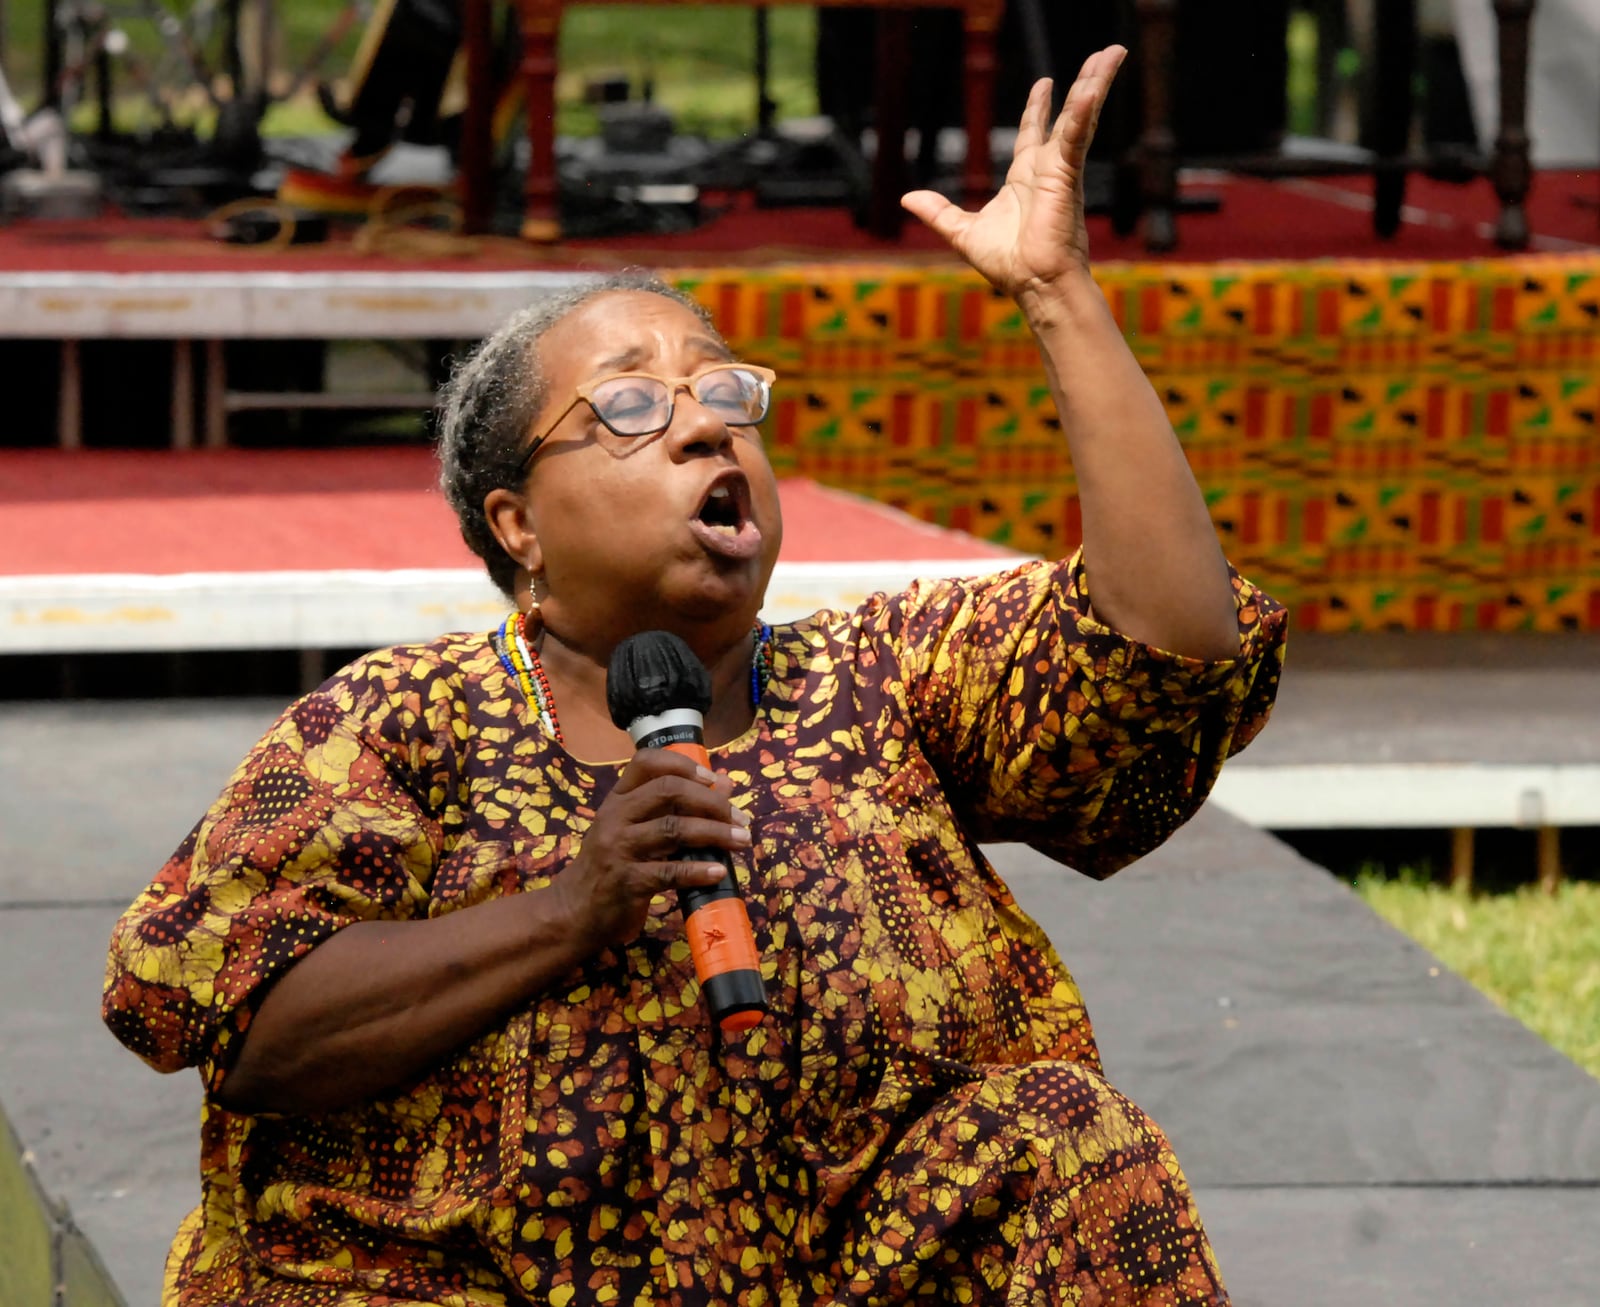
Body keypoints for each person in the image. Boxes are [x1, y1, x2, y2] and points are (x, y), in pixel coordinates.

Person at [103, 47, 1285, 1306]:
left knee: (1065, 1135)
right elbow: (243, 1022)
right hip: (464, 1280)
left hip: (837, 1277)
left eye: (722, 391)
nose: (705, 422)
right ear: (520, 527)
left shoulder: (877, 674)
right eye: (629, 407)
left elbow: (1166, 648)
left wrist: (1057, 293)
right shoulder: (398, 722)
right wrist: (570, 909)